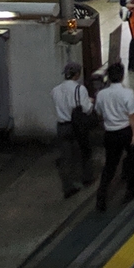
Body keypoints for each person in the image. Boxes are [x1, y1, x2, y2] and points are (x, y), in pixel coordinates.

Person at [93, 61, 134, 212]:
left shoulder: (101, 94)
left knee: (110, 165)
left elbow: (99, 112)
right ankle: (130, 189)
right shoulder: (127, 93)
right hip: (125, 130)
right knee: (133, 159)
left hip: (110, 133)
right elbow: (132, 115)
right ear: (122, 76)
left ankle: (101, 197)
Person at [51, 61, 95, 197]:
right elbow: (86, 109)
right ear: (77, 74)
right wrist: (91, 102)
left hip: (61, 126)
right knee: (84, 151)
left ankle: (68, 187)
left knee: (66, 157)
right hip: (76, 125)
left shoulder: (55, 90)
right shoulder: (80, 89)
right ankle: (86, 178)